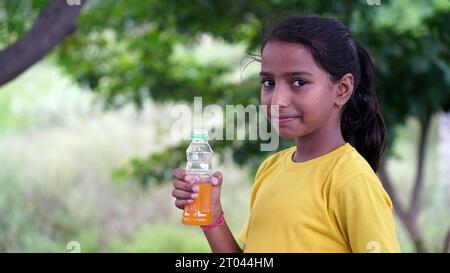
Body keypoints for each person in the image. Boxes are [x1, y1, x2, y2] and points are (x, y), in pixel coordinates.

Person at [172, 15, 400, 253]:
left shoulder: (351, 180)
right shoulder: (270, 169)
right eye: (269, 83)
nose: (277, 101)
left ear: (342, 89)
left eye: (298, 82)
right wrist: (211, 216)